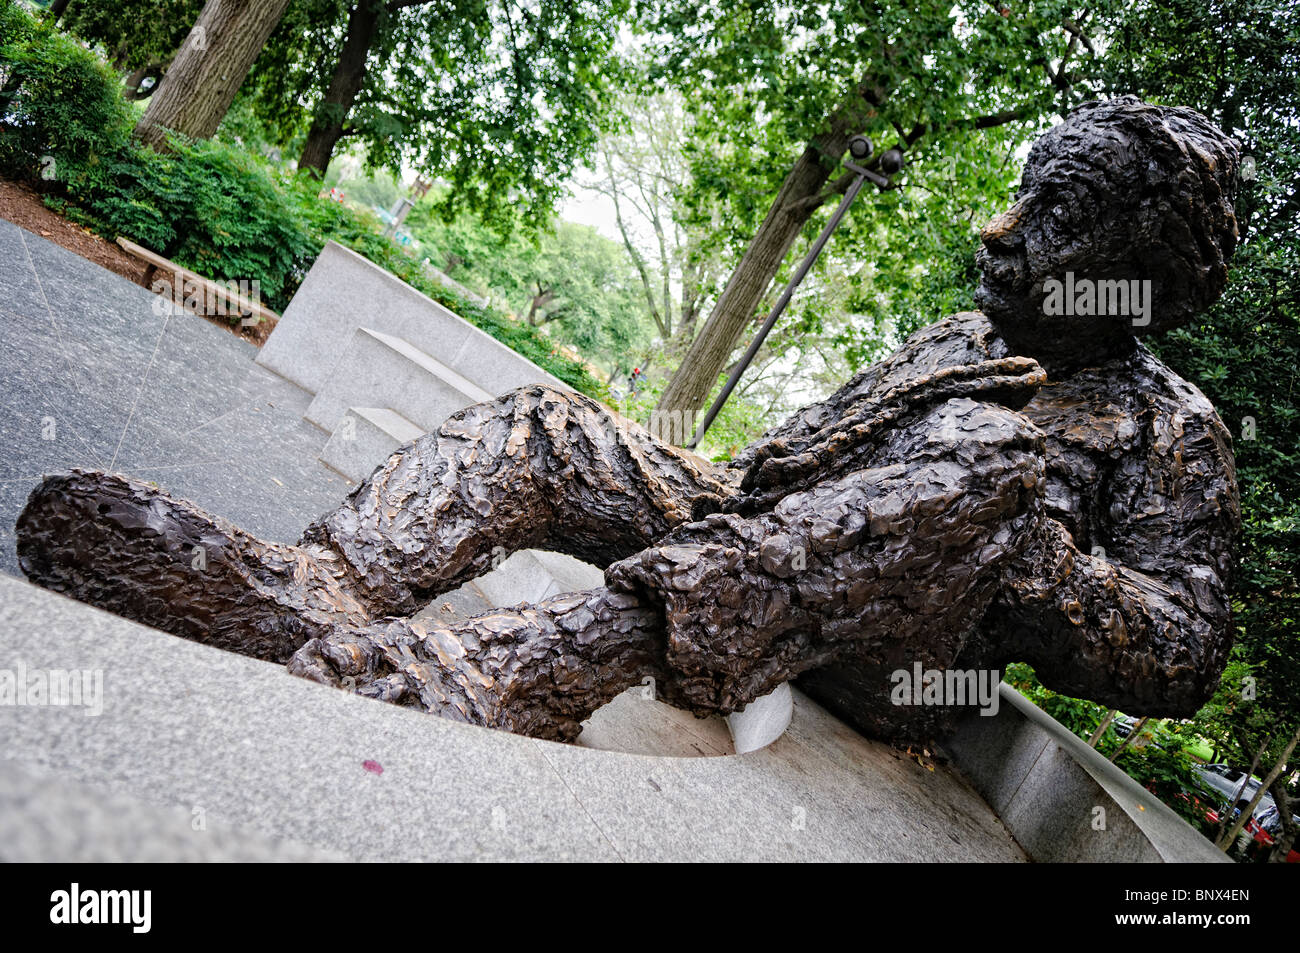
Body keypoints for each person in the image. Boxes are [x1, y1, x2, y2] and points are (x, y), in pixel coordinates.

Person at [17, 97, 1241, 743]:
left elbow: (1179, 653)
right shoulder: (954, 344)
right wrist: (668, 477)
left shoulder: (1167, 428)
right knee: (555, 428)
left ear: (1136, 263)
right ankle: (320, 585)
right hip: (760, 549)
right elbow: (771, 472)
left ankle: (538, 665)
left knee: (987, 467)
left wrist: (1019, 539)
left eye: (1055, 208)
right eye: (1020, 190)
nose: (998, 226)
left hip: (908, 666)